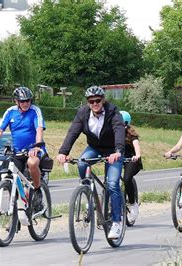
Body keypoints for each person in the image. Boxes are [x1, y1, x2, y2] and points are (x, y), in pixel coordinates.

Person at [57, 86, 126, 239]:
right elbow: (72, 132)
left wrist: (119, 151)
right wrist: (63, 152)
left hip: (113, 150)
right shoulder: (83, 113)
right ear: (87, 102)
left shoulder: (113, 112)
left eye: (97, 100)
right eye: (91, 101)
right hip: (94, 147)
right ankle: (87, 191)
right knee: (82, 163)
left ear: (103, 100)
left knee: (113, 183)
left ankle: (116, 222)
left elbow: (119, 130)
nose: (95, 103)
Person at [0, 87, 47, 225]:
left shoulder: (35, 111)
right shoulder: (10, 112)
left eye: (28, 100)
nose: (26, 103)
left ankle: (37, 191)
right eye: (22, 101)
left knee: (32, 164)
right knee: (9, 173)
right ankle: (18, 207)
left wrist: (37, 146)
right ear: (16, 101)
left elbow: (39, 129)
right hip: (18, 151)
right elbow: (0, 130)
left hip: (34, 149)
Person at [120, 111, 143, 223]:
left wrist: (137, 155)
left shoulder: (131, 135)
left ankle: (133, 204)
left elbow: (136, 147)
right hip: (119, 160)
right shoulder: (113, 133)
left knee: (127, 178)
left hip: (131, 160)